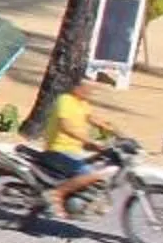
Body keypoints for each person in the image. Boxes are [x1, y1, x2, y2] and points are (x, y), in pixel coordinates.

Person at [36, 88, 112, 216]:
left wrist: (112, 131)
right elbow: (66, 127)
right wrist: (90, 141)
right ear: (76, 87)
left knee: (97, 165)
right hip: (57, 151)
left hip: (73, 152)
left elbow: (93, 119)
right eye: (86, 88)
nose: (89, 92)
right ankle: (56, 195)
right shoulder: (65, 100)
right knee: (89, 173)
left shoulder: (82, 103)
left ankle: (80, 198)